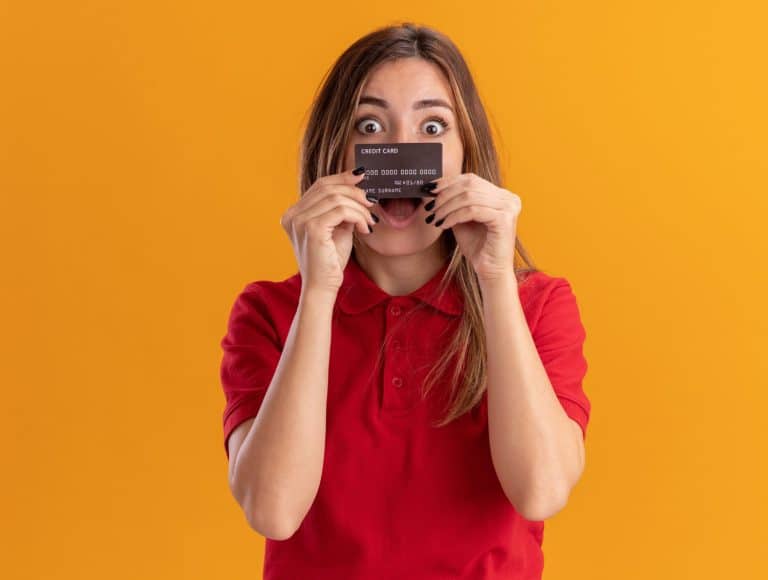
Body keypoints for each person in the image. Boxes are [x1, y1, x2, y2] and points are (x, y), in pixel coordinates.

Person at [219, 22, 591, 580]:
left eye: (433, 125)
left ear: (466, 157)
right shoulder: (269, 313)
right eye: (370, 126)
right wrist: (319, 291)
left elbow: (540, 491)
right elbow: (273, 511)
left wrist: (493, 277)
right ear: (334, 155)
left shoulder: (538, 304)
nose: (401, 151)